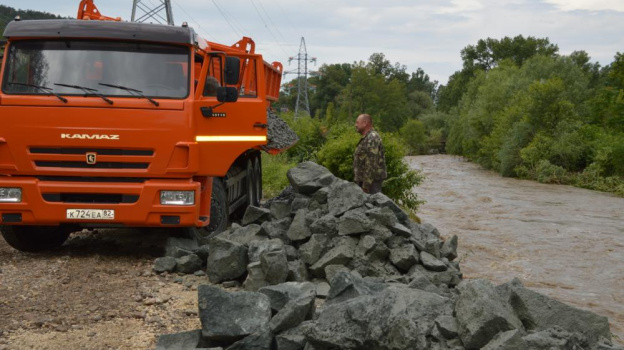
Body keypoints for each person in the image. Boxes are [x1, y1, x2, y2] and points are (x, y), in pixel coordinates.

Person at [353, 113, 387, 194]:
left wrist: (366, 186)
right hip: (364, 182)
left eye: (357, 122)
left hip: (371, 184)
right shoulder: (366, 138)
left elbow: (372, 163)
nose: (355, 125)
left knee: (374, 205)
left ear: (365, 123)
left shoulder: (372, 137)